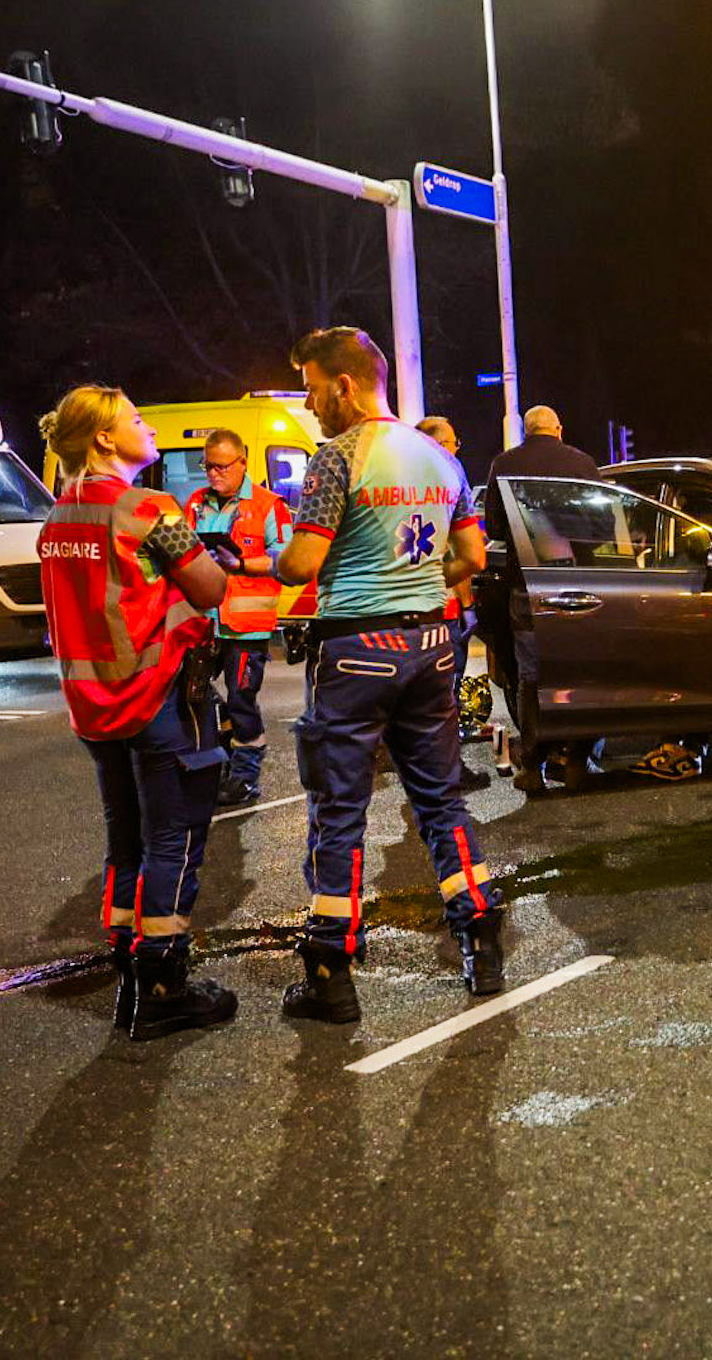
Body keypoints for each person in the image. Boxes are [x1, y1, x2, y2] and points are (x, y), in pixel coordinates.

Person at [274, 327, 502, 1020]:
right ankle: (480, 936)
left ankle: (330, 971)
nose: (310, 404)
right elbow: (472, 557)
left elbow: (302, 564)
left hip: (354, 649)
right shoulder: (442, 458)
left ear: (345, 385)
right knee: (441, 801)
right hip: (431, 643)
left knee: (339, 811)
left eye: (314, 388)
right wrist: (419, 580)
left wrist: (274, 557)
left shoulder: (337, 458)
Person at [36, 385, 239, 1041]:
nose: (147, 427)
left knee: (124, 839)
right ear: (104, 438)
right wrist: (215, 562)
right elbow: (209, 585)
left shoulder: (58, 518)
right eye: (135, 419)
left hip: (92, 705)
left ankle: (127, 959)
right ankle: (163, 985)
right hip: (156, 697)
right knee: (173, 838)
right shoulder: (147, 508)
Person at [479, 404, 600, 790]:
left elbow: (494, 527)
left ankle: (534, 765)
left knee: (531, 676)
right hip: (577, 584)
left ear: (526, 432)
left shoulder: (504, 464)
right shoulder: (582, 464)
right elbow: (602, 525)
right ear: (558, 429)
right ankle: (577, 761)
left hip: (527, 585)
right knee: (576, 670)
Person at [184, 428, 294, 807]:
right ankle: (217, 762)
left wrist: (241, 564)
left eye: (221, 466)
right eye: (208, 466)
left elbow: (286, 559)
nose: (213, 474)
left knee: (242, 699)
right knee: (194, 693)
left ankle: (245, 776)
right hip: (204, 623)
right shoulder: (196, 503)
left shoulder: (268, 505)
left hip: (246, 629)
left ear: (242, 463)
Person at [416, 415, 482, 728]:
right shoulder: (450, 480)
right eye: (455, 443)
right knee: (446, 689)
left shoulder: (397, 480)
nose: (457, 449)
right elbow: (467, 555)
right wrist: (468, 605)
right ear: (442, 445)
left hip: (401, 611)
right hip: (444, 608)